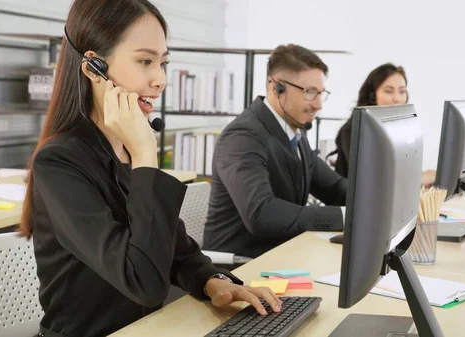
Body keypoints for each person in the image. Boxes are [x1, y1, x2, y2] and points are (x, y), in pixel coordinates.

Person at [18, 1, 281, 336]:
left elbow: (176, 250)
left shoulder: (126, 147)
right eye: (145, 61)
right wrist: (145, 154)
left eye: (163, 63)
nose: (160, 80)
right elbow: (143, 282)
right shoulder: (59, 163)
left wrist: (213, 282)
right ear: (93, 67)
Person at [203, 44, 347, 259]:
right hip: (240, 267)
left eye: (320, 93)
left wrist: (375, 203)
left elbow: (333, 187)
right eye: (309, 92)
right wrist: (346, 216)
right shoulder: (243, 137)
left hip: (281, 256)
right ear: (277, 87)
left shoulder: (294, 131)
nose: (318, 104)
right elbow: (262, 214)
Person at [329, 63, 436, 186]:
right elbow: (373, 179)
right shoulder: (354, 129)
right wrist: (419, 179)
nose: (397, 98)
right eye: (389, 91)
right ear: (373, 96)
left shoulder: (398, 130)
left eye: (402, 91)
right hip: (357, 203)